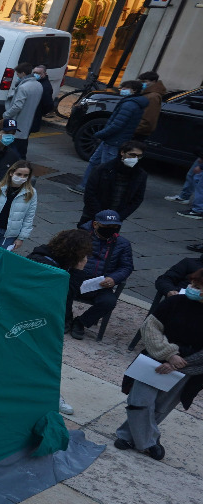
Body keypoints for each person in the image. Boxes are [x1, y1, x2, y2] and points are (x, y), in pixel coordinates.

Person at [117, 268, 203, 461]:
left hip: (188, 368)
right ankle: (149, 443)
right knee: (139, 402)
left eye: (197, 287)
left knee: (160, 407)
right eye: (192, 284)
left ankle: (127, 436)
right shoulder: (175, 302)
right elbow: (151, 327)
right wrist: (169, 354)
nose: (191, 288)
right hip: (156, 359)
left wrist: (181, 364)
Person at [68, 210, 133, 339]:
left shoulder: (123, 244)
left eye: (115, 226)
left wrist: (114, 278)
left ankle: (81, 322)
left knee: (109, 302)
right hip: (76, 278)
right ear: (96, 224)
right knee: (61, 290)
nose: (111, 229)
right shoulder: (80, 237)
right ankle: (66, 318)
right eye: (107, 226)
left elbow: (126, 266)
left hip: (100, 285)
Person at [77, 80, 147, 193]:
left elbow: (117, 124)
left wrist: (101, 134)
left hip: (114, 140)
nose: (122, 90)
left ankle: (97, 190)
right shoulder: (134, 103)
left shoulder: (129, 104)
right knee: (95, 162)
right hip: (113, 139)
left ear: (133, 90)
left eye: (125, 88)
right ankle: (85, 186)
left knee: (106, 167)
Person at [80, 141, 146, 225]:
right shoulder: (102, 169)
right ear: (122, 152)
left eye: (139, 156)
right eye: (132, 155)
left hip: (116, 219)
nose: (135, 159)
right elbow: (90, 193)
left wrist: (120, 217)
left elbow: (137, 199)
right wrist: (100, 215)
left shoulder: (140, 175)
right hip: (93, 215)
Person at [2, 65, 47, 155]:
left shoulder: (23, 87)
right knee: (21, 150)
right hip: (27, 123)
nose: (17, 76)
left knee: (12, 150)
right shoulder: (39, 85)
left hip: (17, 122)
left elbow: (17, 106)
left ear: (23, 73)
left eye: (18, 74)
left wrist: (6, 114)